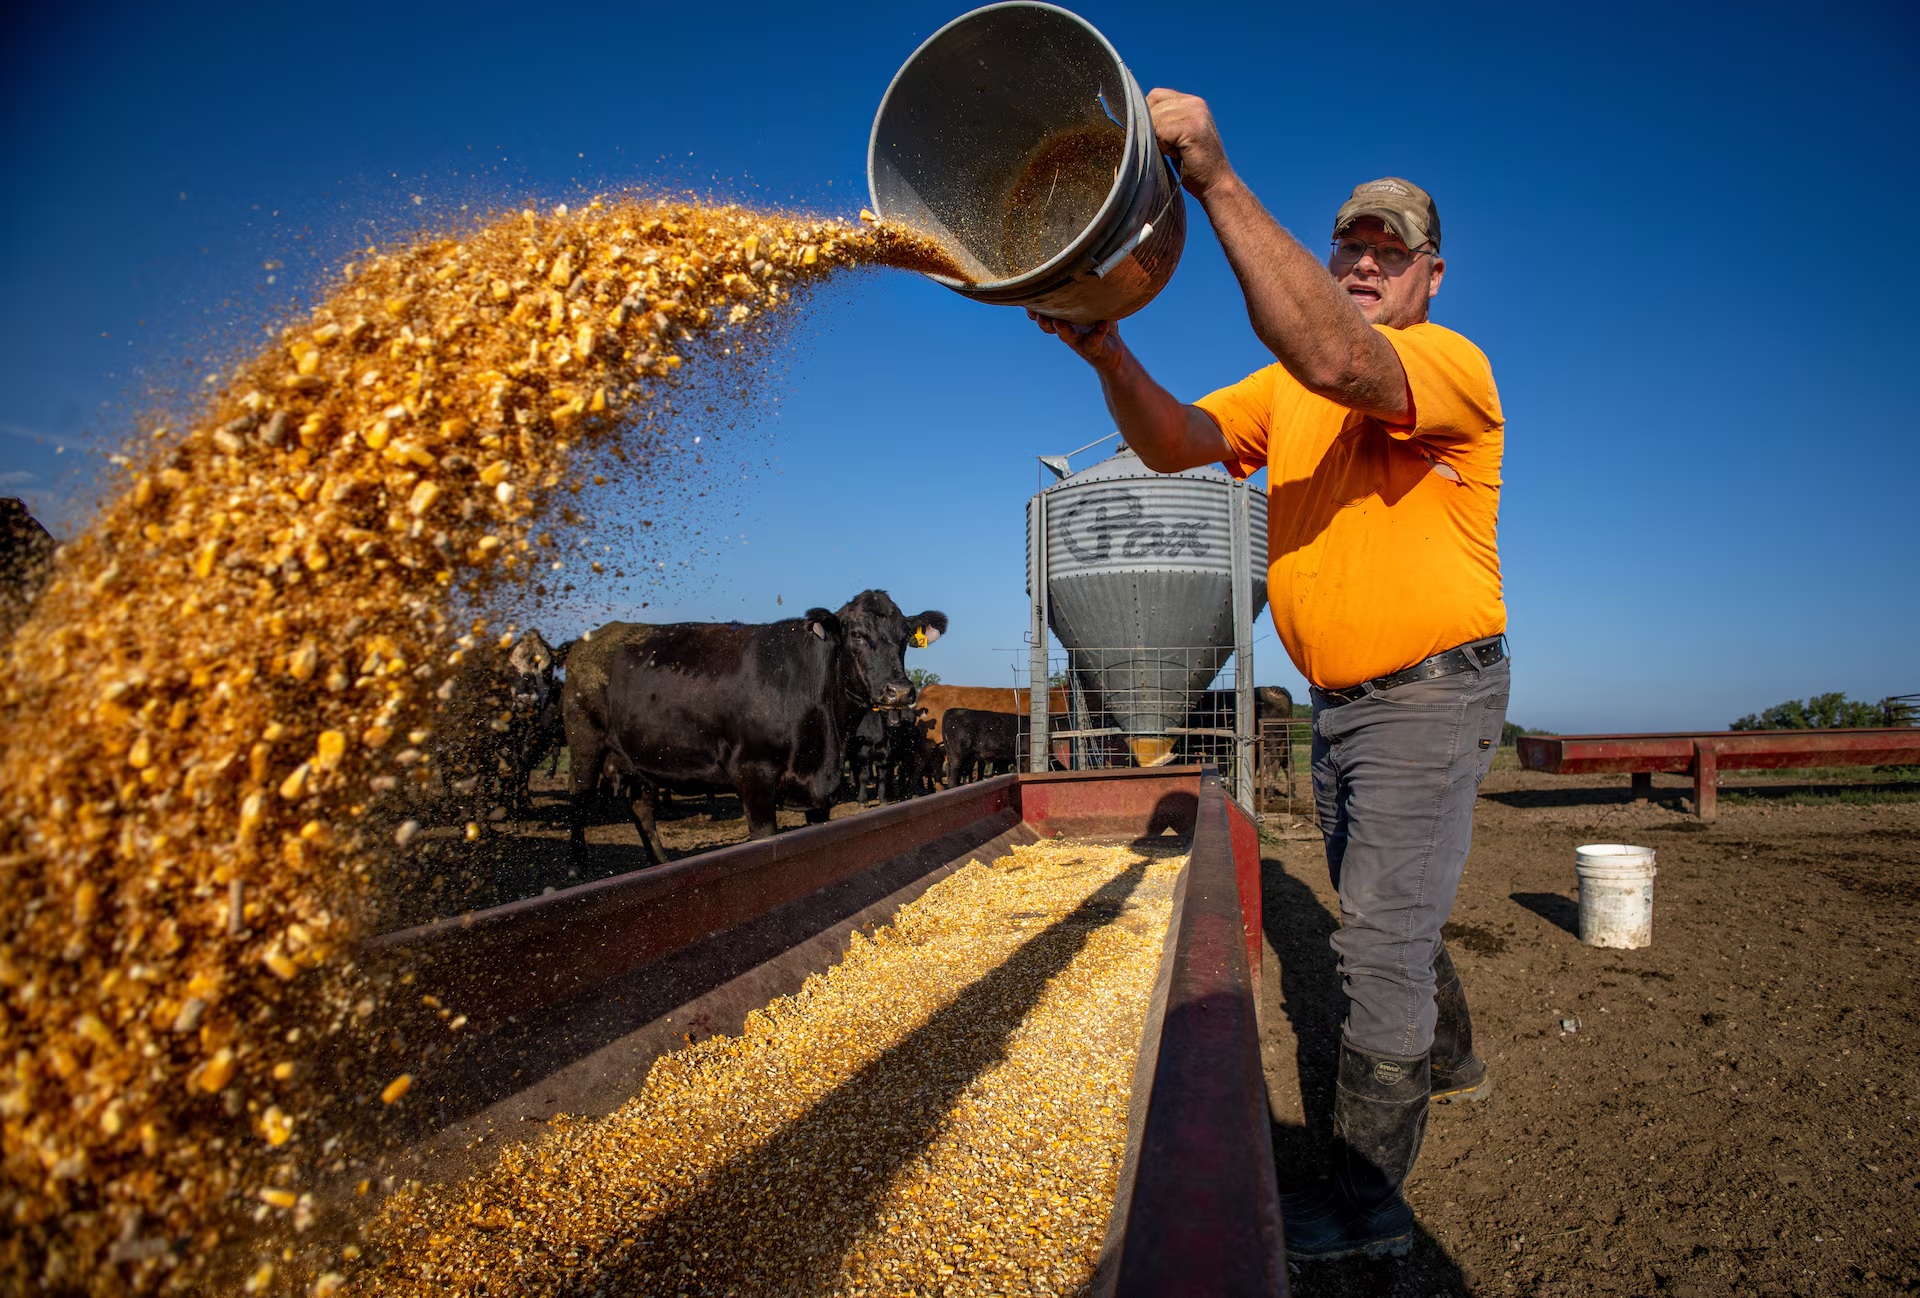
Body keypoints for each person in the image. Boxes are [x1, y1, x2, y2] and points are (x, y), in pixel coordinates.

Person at [1032, 91, 1509, 1263]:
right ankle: (1454, 1058)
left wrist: (1217, 180)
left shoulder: (1443, 367)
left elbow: (1341, 357)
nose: (1362, 261)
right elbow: (1178, 442)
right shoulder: (1284, 394)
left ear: (1430, 276)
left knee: (1375, 946)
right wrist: (1106, 346)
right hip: (1344, 707)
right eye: (1351, 241)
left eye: (1388, 251)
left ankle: (1367, 1209)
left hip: (1430, 691)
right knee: (1381, 901)